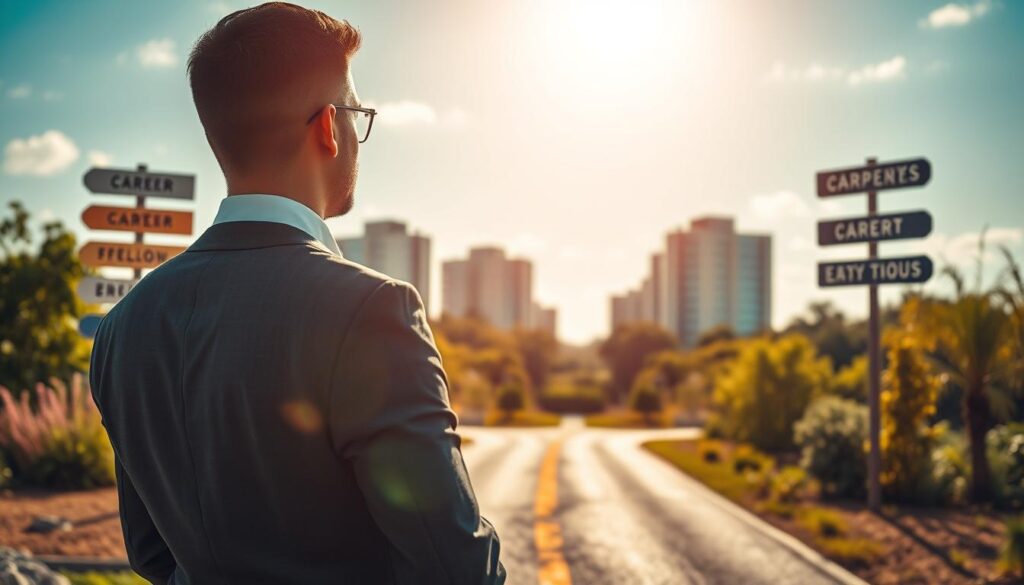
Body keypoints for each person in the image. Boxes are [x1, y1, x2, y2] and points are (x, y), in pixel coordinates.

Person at [89, 3, 505, 583]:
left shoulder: (121, 326)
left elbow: (152, 556)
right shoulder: (372, 310)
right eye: (356, 114)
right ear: (329, 128)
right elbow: (455, 569)